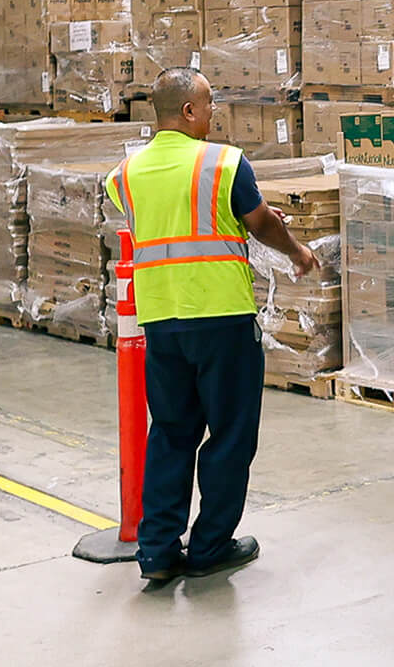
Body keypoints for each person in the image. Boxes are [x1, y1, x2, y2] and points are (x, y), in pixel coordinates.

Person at [105, 68, 319, 585]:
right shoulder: (223, 163)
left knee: (173, 431)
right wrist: (297, 251)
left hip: (161, 322)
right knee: (230, 433)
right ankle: (210, 546)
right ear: (187, 112)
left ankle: (156, 551)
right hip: (221, 318)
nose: (212, 116)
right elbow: (261, 220)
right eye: (207, 107)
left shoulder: (125, 175)